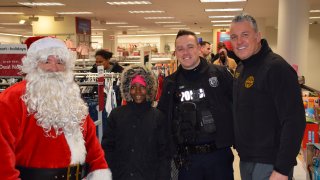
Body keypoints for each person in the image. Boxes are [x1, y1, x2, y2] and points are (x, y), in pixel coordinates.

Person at [0, 37, 112, 180]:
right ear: (33, 65)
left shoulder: (72, 97)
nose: (54, 68)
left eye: (60, 62)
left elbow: (92, 145)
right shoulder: (11, 99)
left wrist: (99, 171)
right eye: (47, 61)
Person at [230, 14, 306, 180]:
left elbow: (294, 121)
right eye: (234, 37)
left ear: (258, 36)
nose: (239, 42)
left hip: (270, 164)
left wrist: (282, 169)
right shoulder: (241, 69)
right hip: (246, 159)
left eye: (245, 35)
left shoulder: (276, 68)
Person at [157, 30, 234, 180]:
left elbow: (239, 106)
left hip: (218, 155)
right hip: (187, 160)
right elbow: (163, 118)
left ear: (199, 49)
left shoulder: (219, 74)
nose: (185, 52)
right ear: (175, 53)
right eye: (180, 49)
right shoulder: (171, 83)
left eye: (190, 46)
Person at [101, 65, 171, 180]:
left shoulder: (158, 117)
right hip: (122, 175)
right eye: (133, 87)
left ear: (148, 88)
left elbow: (163, 153)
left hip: (149, 175)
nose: (138, 91)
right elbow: (108, 147)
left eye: (142, 87)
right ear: (128, 89)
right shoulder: (116, 115)